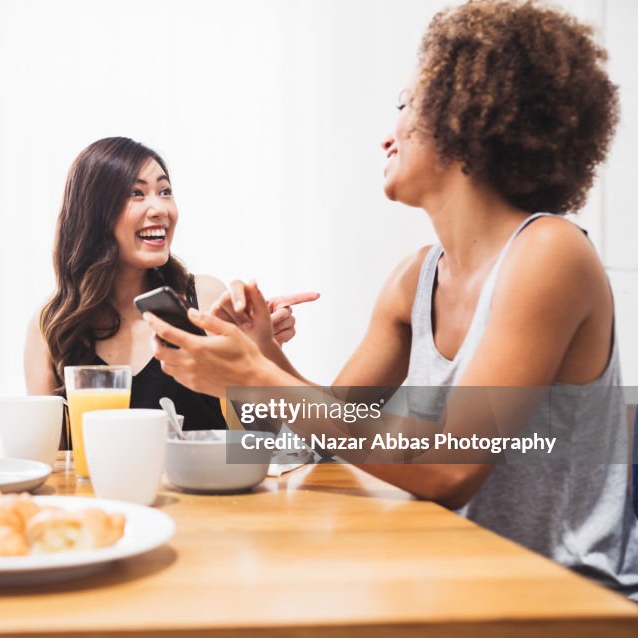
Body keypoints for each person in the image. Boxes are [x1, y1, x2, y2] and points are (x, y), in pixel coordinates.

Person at [145, 0, 637, 598]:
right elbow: (331, 427)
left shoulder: (551, 255)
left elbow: (450, 467)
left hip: (566, 597)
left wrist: (257, 378)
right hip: (459, 577)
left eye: (406, 106)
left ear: (468, 118)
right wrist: (265, 357)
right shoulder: (415, 278)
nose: (387, 133)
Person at [24, 136, 314, 439]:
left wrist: (263, 350)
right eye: (136, 193)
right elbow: (48, 458)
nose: (160, 208)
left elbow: (265, 438)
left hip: (203, 486)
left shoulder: (204, 300)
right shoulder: (50, 325)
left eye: (165, 192)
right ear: (93, 213)